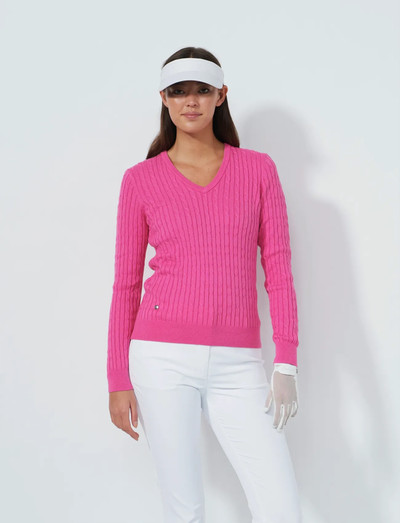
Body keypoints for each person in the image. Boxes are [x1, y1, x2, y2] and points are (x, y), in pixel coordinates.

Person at [107, 46, 302, 523]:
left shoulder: (258, 170)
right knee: (185, 510)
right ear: (164, 98)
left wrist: (286, 362)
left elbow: (278, 268)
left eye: (201, 90)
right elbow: (125, 285)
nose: (190, 101)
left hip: (239, 366)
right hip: (160, 360)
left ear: (221, 95)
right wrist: (117, 378)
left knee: (281, 508)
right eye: (178, 91)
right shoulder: (140, 180)